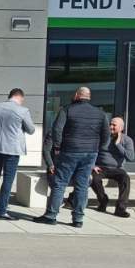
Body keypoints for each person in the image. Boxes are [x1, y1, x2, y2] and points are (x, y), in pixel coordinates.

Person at [36, 86, 110, 228]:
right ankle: (78, 219)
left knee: (60, 183)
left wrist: (58, 146)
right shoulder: (100, 113)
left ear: (76, 95)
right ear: (89, 97)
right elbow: (106, 134)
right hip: (90, 152)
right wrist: (99, 148)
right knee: (82, 185)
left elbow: (57, 129)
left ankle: (51, 215)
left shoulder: (67, 110)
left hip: (70, 150)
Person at [70, 116, 135, 217]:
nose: (111, 126)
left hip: (117, 169)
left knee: (125, 179)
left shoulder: (127, 140)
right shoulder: (102, 138)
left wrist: (118, 144)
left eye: (114, 125)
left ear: (121, 128)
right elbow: (90, 151)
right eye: (110, 124)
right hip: (101, 167)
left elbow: (130, 157)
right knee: (94, 178)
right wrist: (92, 165)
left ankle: (120, 209)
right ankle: (103, 200)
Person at [0, 87, 36, 220]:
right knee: (8, 180)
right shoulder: (23, 110)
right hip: (12, 149)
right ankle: (2, 211)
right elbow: (31, 129)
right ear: (20, 97)